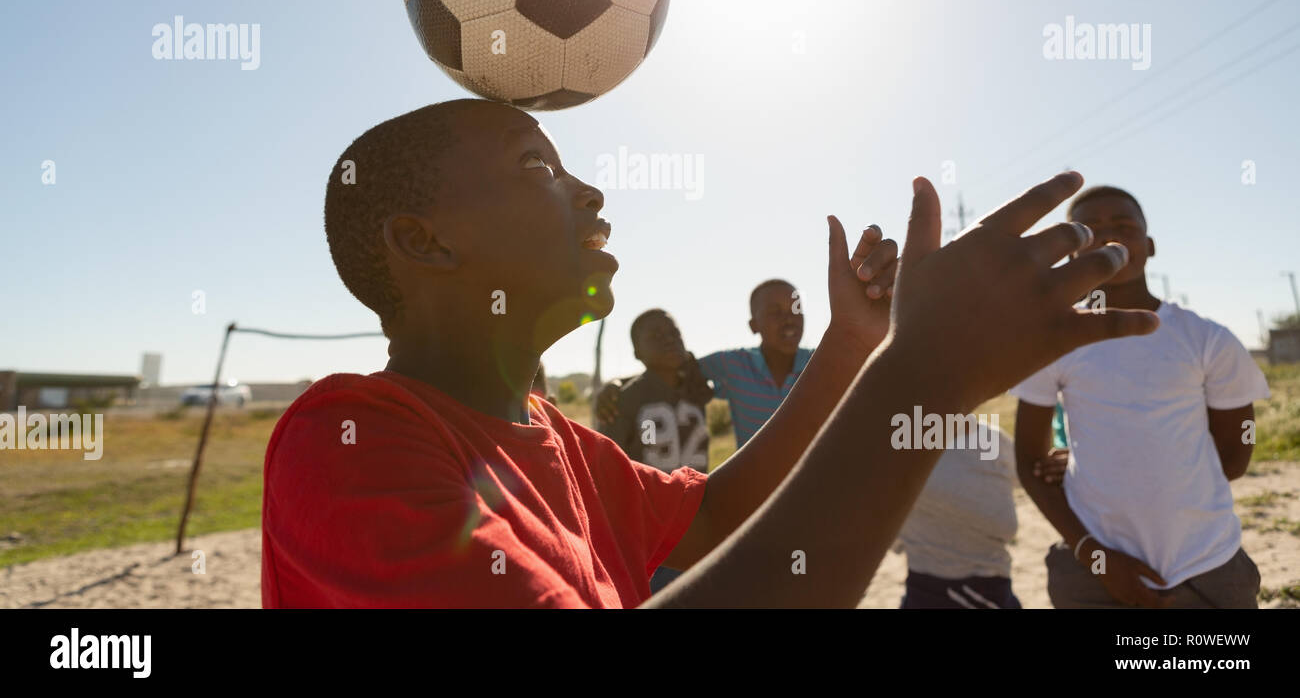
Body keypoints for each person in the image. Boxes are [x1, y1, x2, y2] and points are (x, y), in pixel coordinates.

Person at [262, 98, 1155, 607]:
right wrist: (924, 374)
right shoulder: (341, 441)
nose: (591, 189)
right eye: (536, 164)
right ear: (424, 243)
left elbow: (720, 515)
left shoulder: (558, 441)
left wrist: (851, 346)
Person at [1012, 185, 1270, 609]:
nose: (1109, 235)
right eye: (1089, 228)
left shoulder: (1207, 339)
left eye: (1125, 226)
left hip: (1208, 565)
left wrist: (1165, 466)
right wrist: (1095, 557)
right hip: (1092, 572)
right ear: (1071, 251)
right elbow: (1029, 460)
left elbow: (1235, 457)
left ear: (1149, 246)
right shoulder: (1050, 341)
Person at [596, 277, 829, 452]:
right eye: (775, 312)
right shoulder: (733, 364)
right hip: (753, 491)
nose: (789, 319)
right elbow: (673, 370)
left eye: (796, 310)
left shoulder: (821, 363)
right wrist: (615, 385)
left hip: (812, 484)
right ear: (753, 325)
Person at [595, 309, 712, 592]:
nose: (669, 339)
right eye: (656, 335)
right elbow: (609, 469)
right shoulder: (625, 399)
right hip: (652, 530)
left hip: (699, 515)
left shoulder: (696, 387)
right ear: (637, 352)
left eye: (674, 332)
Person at [892, 420, 1022, 608]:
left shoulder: (992, 440)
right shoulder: (898, 449)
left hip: (998, 595)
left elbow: (1032, 475)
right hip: (929, 595)